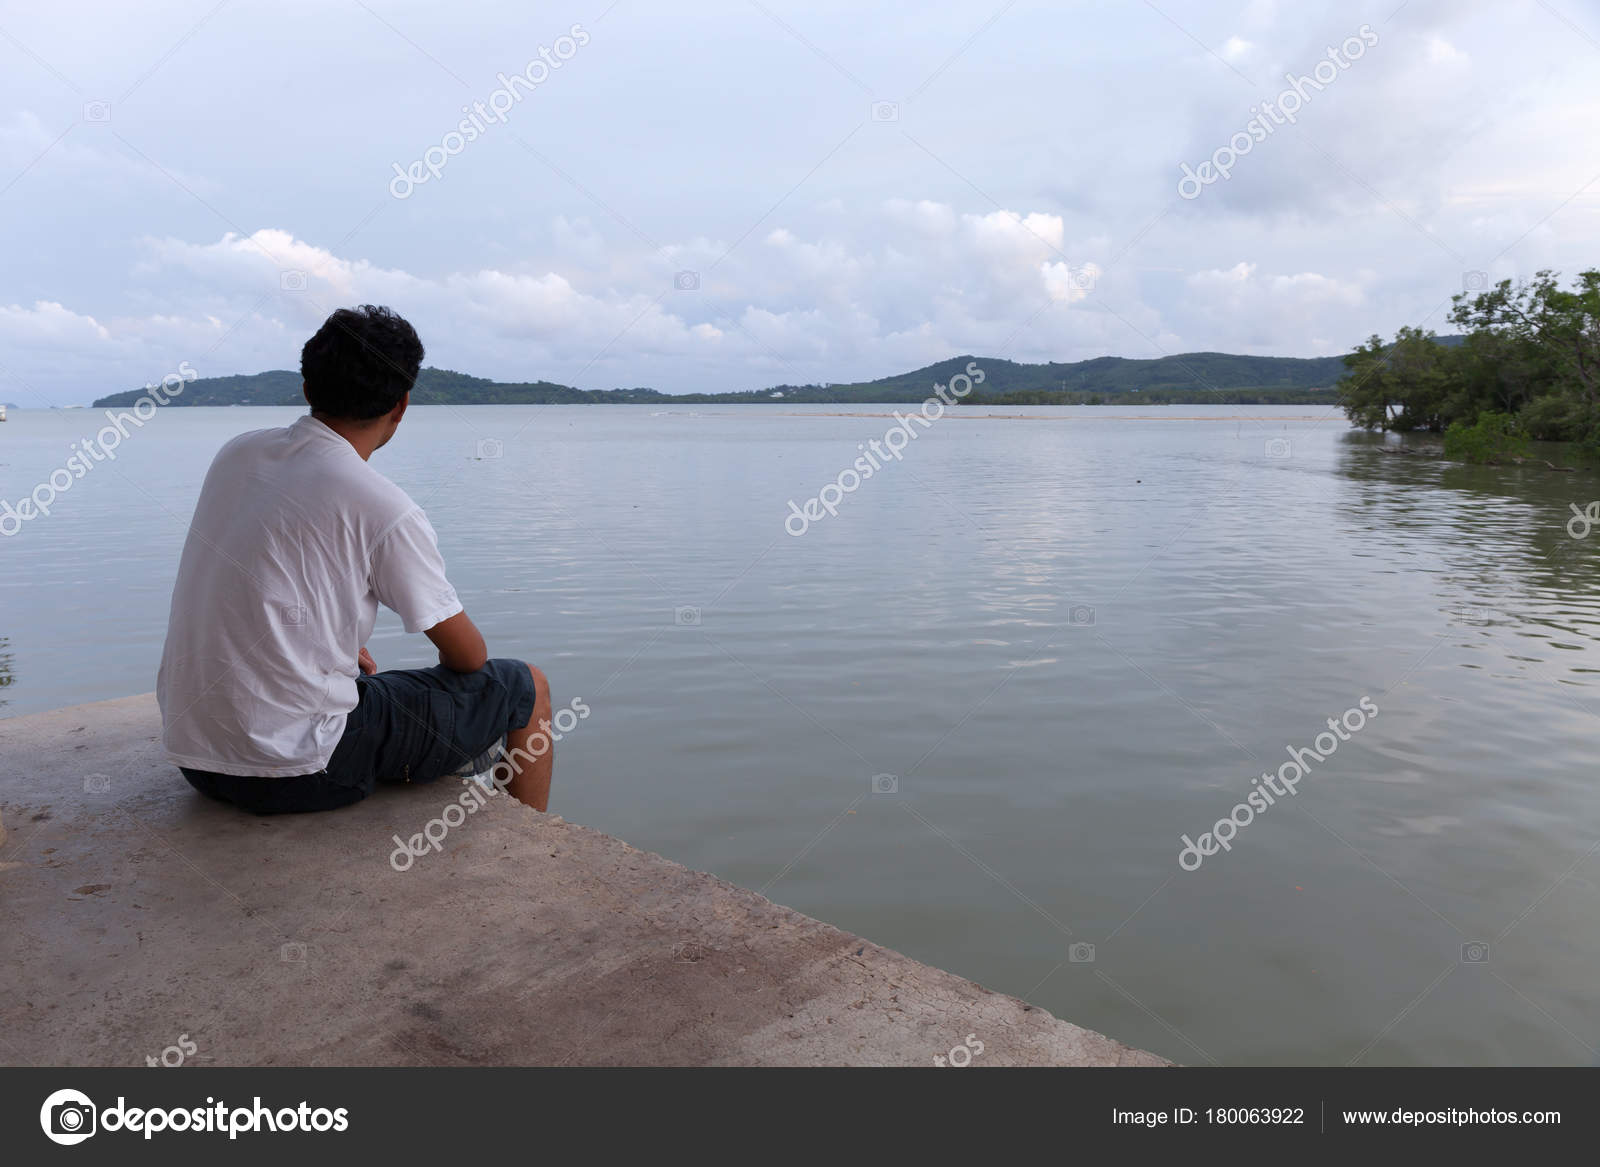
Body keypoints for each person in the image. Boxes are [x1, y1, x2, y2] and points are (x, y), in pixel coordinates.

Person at [156, 304, 553, 814]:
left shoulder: (237, 453)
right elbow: (468, 657)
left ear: (307, 388)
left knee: (365, 681)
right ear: (402, 405)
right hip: (306, 770)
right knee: (524, 686)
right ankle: (534, 849)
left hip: (199, 760)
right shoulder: (383, 506)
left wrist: (334, 649)